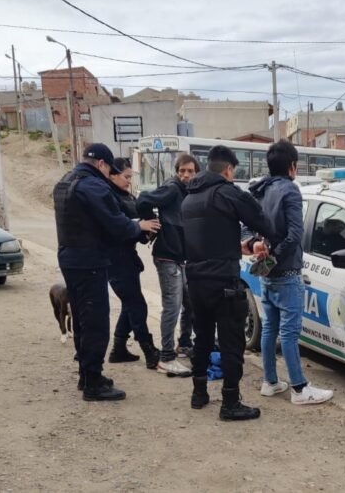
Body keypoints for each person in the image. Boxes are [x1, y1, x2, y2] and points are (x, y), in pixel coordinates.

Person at [53, 143, 160, 401]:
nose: (108, 174)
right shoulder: (93, 185)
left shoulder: (65, 182)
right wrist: (139, 225)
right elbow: (115, 224)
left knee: (80, 317)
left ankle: (85, 375)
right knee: (96, 321)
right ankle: (93, 382)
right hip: (89, 261)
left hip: (69, 258)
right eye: (108, 169)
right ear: (101, 164)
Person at [181, 145, 274, 421]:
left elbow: (210, 237)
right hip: (223, 281)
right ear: (229, 169)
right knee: (232, 341)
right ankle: (230, 401)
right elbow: (262, 222)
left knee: (203, 338)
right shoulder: (228, 193)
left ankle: (199, 394)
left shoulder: (190, 198)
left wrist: (240, 246)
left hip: (196, 280)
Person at [248, 140, 334, 405]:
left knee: (269, 328)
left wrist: (260, 250)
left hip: (266, 273)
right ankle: (299, 388)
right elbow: (296, 233)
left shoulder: (260, 190)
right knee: (288, 332)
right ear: (293, 166)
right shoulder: (290, 191)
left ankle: (270, 382)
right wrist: (275, 256)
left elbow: (248, 228)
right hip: (286, 272)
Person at [136, 153, 199, 377]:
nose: (185, 175)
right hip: (167, 257)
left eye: (190, 171)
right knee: (172, 306)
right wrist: (151, 226)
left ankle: (184, 344)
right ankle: (166, 357)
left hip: (181, 257)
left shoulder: (189, 191)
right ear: (177, 172)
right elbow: (143, 199)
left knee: (190, 302)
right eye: (182, 171)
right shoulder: (172, 188)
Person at [106, 157, 161, 369]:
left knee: (130, 305)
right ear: (112, 174)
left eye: (131, 176)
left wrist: (147, 229)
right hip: (116, 262)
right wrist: (140, 225)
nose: (129, 181)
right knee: (137, 305)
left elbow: (135, 228)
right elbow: (116, 227)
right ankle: (148, 349)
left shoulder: (123, 195)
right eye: (126, 176)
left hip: (127, 260)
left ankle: (118, 348)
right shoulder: (108, 197)